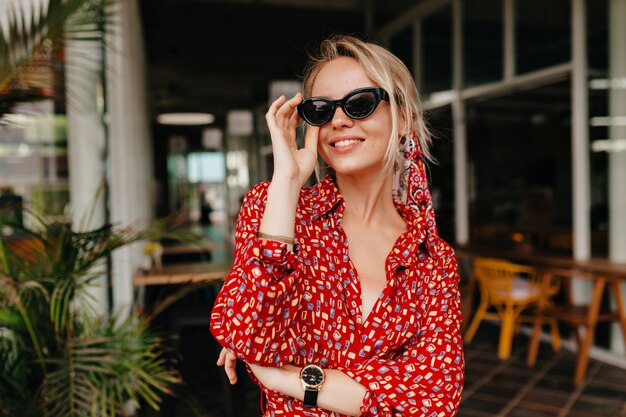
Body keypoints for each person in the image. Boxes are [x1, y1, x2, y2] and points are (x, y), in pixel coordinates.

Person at [210, 35, 464, 417]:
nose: (340, 120)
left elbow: (435, 399)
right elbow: (247, 335)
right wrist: (288, 183)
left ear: (404, 118)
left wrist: (289, 380)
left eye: (360, 103)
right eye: (321, 109)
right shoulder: (275, 208)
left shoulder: (433, 258)